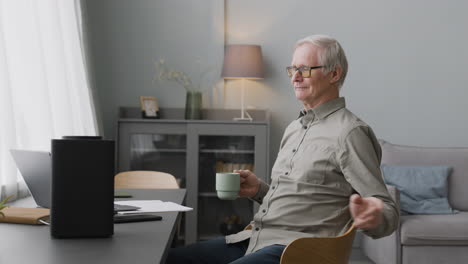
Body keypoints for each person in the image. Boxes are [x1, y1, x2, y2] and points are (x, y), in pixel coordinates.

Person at [166, 34, 399, 264]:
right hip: (255, 239)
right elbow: (300, 200)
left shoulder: (349, 133)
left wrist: (375, 215)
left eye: (305, 69)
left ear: (334, 74)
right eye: (293, 69)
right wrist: (259, 189)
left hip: (297, 250)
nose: (295, 77)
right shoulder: (294, 128)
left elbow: (388, 211)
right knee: (167, 258)